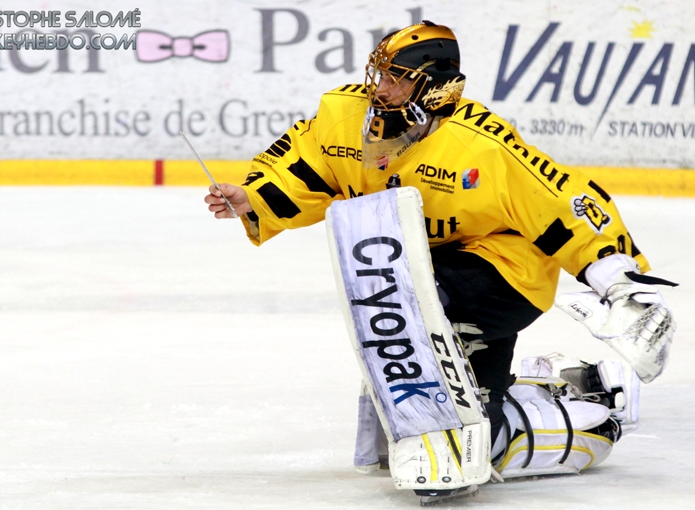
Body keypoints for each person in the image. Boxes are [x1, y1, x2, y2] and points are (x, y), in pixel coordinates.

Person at [204, 20, 676, 488]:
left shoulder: (482, 146)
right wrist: (254, 197)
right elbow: (305, 169)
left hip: (508, 271)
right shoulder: (343, 115)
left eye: (394, 77)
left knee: (416, 299)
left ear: (432, 85)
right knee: (469, 432)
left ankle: (597, 421)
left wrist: (618, 284)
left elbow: (563, 203)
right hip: (424, 268)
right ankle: (567, 388)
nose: (379, 87)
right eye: (380, 73)